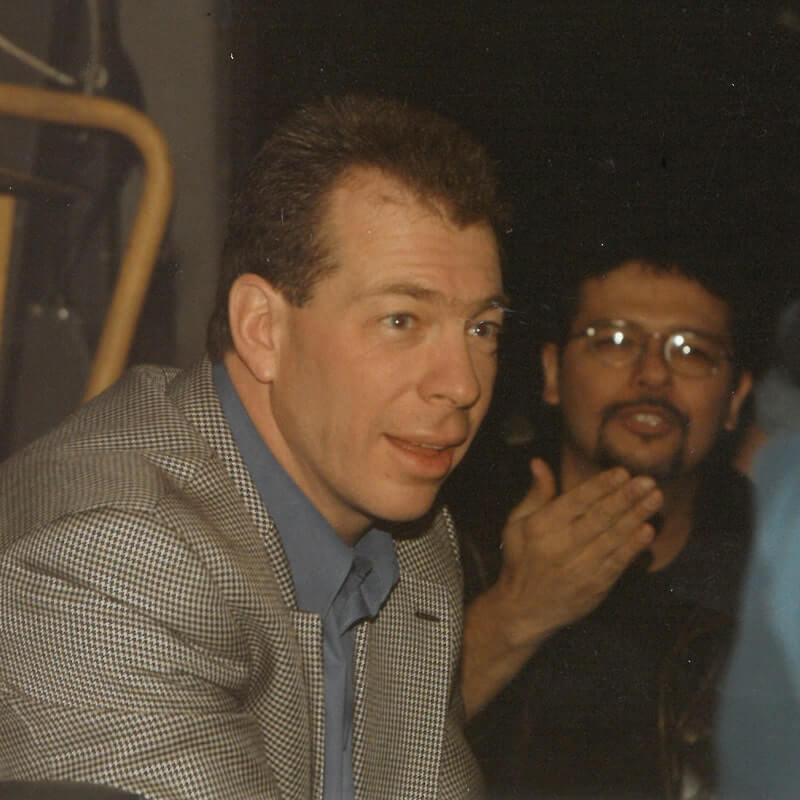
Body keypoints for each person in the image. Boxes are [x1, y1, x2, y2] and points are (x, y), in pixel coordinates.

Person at [0, 94, 513, 800]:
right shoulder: (113, 557)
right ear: (263, 328)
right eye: (402, 319)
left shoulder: (408, 537)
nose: (460, 384)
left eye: (482, 329)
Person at [455, 216, 762, 798]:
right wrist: (515, 613)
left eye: (691, 351)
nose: (652, 374)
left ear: (735, 399)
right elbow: (354, 747)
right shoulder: (440, 538)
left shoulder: (776, 572)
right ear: (552, 372)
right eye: (614, 341)